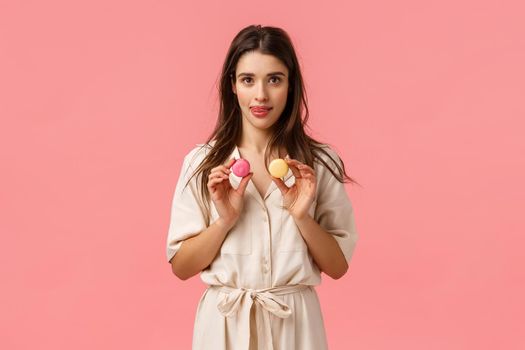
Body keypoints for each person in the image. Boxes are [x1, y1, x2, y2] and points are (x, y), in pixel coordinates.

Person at [166, 24, 360, 350]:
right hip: (224, 327)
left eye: (274, 79)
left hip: (296, 326)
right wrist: (225, 220)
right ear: (232, 86)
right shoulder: (203, 163)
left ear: (290, 84)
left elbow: (338, 266)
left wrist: (301, 216)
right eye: (248, 80)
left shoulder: (319, 163)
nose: (261, 95)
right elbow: (182, 267)